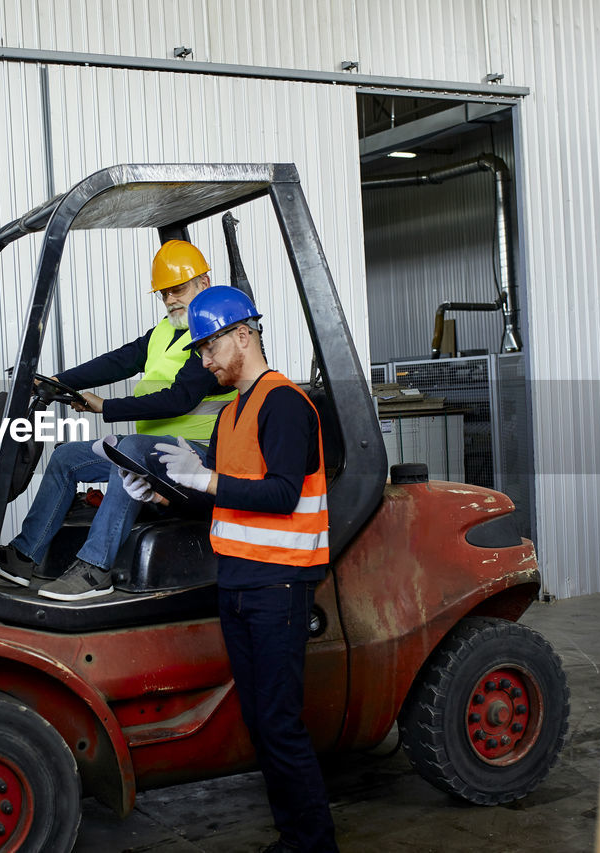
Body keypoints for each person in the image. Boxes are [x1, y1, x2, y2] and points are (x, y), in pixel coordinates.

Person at [148, 286, 339, 853]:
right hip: (238, 582)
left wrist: (202, 479)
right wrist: (169, 493)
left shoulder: (283, 403)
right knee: (260, 722)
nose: (204, 363)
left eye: (209, 348)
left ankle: (314, 845)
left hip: (278, 584)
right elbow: (225, 494)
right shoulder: (231, 413)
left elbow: (280, 494)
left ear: (243, 334)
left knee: (279, 724)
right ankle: (294, 838)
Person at [0, 240, 235, 601]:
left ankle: (95, 569)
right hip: (153, 455)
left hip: (196, 459)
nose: (170, 300)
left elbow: (179, 399)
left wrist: (105, 407)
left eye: (178, 289)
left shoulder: (216, 333)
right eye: (164, 293)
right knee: (66, 458)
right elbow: (118, 361)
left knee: (129, 451)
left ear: (204, 281)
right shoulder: (164, 332)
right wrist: (57, 381)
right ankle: (24, 556)